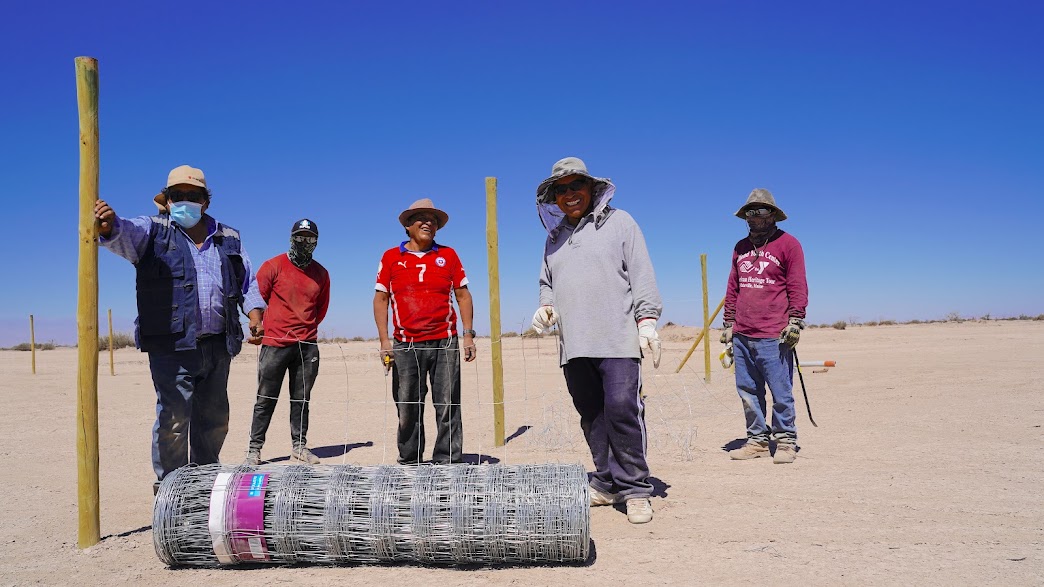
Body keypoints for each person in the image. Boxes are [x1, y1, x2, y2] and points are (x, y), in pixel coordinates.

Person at [93, 165, 265, 492]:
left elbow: (248, 282)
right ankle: (171, 493)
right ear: (168, 201)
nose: (185, 201)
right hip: (172, 347)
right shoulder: (153, 231)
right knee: (173, 421)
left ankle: (203, 487)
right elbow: (122, 233)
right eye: (177, 196)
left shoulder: (228, 237)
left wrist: (255, 314)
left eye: (193, 196)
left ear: (206, 202)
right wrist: (109, 225)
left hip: (218, 345)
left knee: (214, 421)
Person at [530, 157, 663, 525]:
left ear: (592, 189)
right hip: (573, 345)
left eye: (576, 186)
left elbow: (642, 273)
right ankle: (606, 482)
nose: (570, 194)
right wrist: (545, 307)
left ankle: (635, 489)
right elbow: (547, 283)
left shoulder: (621, 222)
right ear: (554, 197)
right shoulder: (554, 238)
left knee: (622, 408)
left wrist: (647, 321)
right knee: (591, 415)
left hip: (618, 339)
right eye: (561, 190)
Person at [372, 198, 477, 465]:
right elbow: (381, 299)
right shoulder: (391, 257)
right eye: (421, 217)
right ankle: (410, 462)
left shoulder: (448, 255)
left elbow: (463, 295)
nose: (428, 223)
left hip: (445, 342)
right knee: (408, 407)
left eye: (433, 219)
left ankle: (448, 462)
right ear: (408, 225)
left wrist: (467, 334)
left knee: (448, 405)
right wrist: (385, 341)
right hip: (406, 344)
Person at [720, 188, 808, 464]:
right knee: (748, 391)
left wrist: (795, 319)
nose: (754, 217)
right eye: (750, 212)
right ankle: (757, 440)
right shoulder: (740, 248)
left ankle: (785, 441)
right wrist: (728, 323)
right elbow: (733, 287)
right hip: (743, 333)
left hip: (774, 334)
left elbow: (797, 284)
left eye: (761, 211)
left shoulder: (788, 244)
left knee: (781, 391)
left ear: (773, 215)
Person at [244, 219, 331, 466]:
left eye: (310, 239)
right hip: (275, 344)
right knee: (265, 398)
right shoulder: (273, 266)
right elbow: (255, 299)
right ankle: (254, 449)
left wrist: (306, 330)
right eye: (300, 237)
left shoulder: (321, 274)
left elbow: (321, 309)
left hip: (307, 346)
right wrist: (258, 324)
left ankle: (300, 446)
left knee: (302, 399)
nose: (305, 243)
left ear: (316, 242)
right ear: (292, 238)